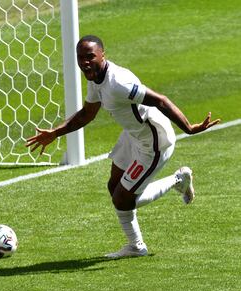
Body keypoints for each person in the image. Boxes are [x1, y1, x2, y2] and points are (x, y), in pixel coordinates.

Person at [26, 35, 220, 259]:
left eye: (90, 57)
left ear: (103, 55)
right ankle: (142, 232)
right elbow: (88, 114)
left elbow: (160, 100)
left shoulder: (118, 83)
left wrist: (188, 128)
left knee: (122, 199)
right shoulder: (94, 78)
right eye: (81, 58)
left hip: (154, 141)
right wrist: (55, 133)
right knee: (115, 187)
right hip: (132, 135)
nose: (85, 62)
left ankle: (144, 234)